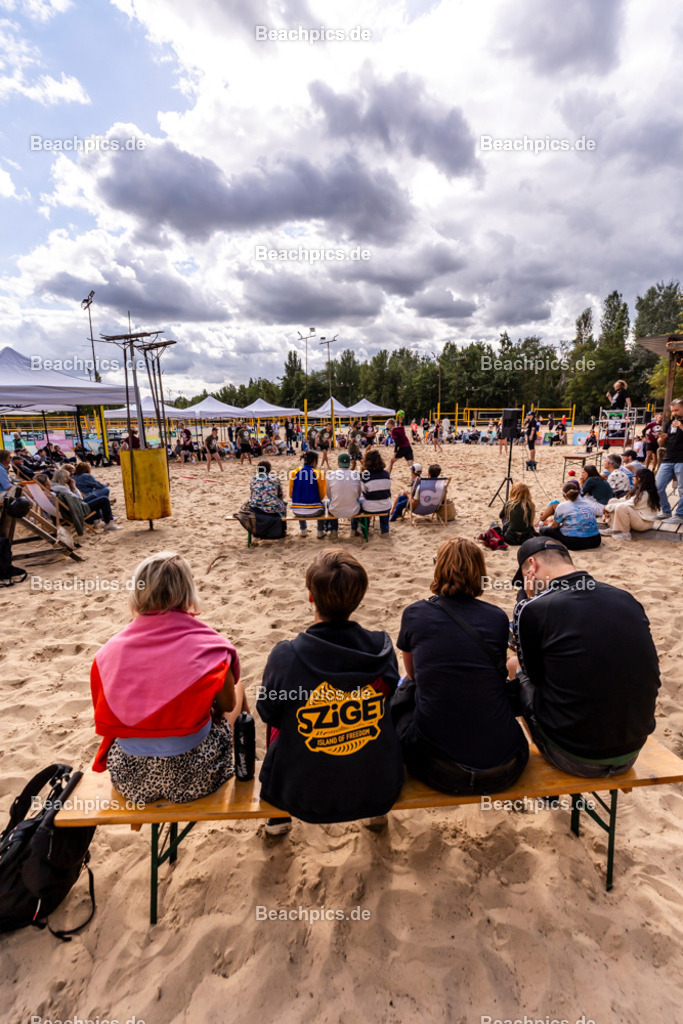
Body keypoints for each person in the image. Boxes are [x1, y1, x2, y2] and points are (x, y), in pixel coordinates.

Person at [257, 550, 404, 832]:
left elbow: (269, 714)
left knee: (277, 714)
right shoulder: (381, 648)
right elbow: (388, 698)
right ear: (358, 598)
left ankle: (278, 816)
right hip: (377, 785)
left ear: (311, 596)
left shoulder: (286, 656)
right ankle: (374, 815)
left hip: (303, 793)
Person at [91, 552, 247, 802]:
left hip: (131, 779)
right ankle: (249, 760)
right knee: (238, 688)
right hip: (197, 774)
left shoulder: (107, 654)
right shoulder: (212, 649)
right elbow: (227, 706)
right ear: (187, 592)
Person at [507, 537, 659, 777]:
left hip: (577, 756)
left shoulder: (534, 607)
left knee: (514, 665)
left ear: (532, 567)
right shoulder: (625, 597)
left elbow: (534, 675)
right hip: (631, 748)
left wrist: (526, 600)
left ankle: (543, 766)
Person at [395, 538, 528, 794]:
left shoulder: (415, 614)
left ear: (438, 569)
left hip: (440, 770)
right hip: (505, 766)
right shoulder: (496, 617)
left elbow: (413, 675)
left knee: (402, 693)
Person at [538, 480, 601, 550]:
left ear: (564, 495)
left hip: (574, 542)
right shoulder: (588, 504)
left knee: (544, 530)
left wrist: (550, 524)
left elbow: (555, 526)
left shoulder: (562, 506)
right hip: (596, 540)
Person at [603, 469, 660, 540]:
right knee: (613, 501)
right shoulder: (638, 489)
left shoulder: (645, 493)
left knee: (621, 507)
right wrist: (608, 506)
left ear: (638, 479)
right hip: (637, 516)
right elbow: (623, 499)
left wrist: (606, 508)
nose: (633, 478)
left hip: (644, 523)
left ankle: (623, 533)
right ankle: (613, 527)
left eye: (634, 476)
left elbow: (627, 504)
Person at [655, 397, 683, 524]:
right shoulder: (670, 423)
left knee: (682, 489)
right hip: (668, 458)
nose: (674, 413)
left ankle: (680, 515)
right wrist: (662, 438)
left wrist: (681, 426)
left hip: (682, 460)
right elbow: (661, 442)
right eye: (672, 411)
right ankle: (666, 511)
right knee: (658, 486)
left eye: (676, 410)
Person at [289, 450, 327, 537]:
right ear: (314, 461)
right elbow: (322, 495)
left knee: (299, 501)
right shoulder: (318, 474)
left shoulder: (294, 473)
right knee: (323, 503)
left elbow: (291, 495)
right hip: (315, 511)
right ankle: (320, 531)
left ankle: (303, 530)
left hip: (297, 511)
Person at [326, 451, 362, 536]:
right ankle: (353, 529)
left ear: (338, 463)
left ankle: (334, 530)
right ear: (349, 463)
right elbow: (358, 495)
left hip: (335, 510)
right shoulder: (356, 475)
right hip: (353, 510)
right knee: (358, 501)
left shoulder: (330, 476)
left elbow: (329, 495)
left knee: (329, 502)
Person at [359, 448, 392, 535]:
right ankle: (385, 530)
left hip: (370, 507)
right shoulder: (386, 474)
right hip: (385, 505)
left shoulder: (365, 476)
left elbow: (364, 493)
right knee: (385, 503)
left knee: (360, 501)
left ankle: (364, 530)